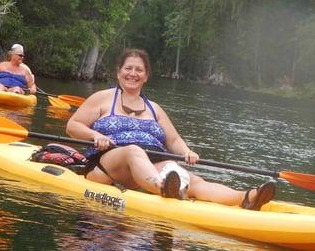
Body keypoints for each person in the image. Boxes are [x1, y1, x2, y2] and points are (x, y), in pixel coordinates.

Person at [65, 48, 276, 210]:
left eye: (139, 70)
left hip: (149, 165)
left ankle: (246, 197)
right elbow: (72, 126)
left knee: (188, 177)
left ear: (146, 76)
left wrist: (186, 151)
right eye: (128, 68)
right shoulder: (102, 98)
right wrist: (96, 135)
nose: (133, 73)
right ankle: (163, 188)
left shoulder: (154, 109)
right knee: (133, 150)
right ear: (119, 73)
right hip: (108, 165)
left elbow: (173, 141)